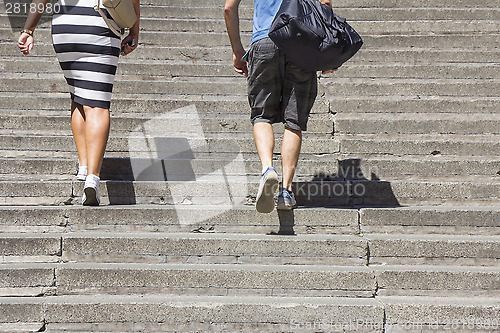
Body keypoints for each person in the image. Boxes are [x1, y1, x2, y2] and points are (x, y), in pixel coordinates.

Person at [18, 0, 140, 206]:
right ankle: (93, 177)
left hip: (65, 24)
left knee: (78, 95)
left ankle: (84, 167)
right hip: (99, 22)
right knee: (97, 103)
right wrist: (134, 30)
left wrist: (28, 30)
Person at [224, 0, 334, 213]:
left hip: (265, 39)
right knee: (294, 120)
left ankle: (267, 169)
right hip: (301, 43)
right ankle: (286, 190)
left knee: (261, 115)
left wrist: (237, 50)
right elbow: (325, 3)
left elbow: (229, 8)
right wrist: (327, 51)